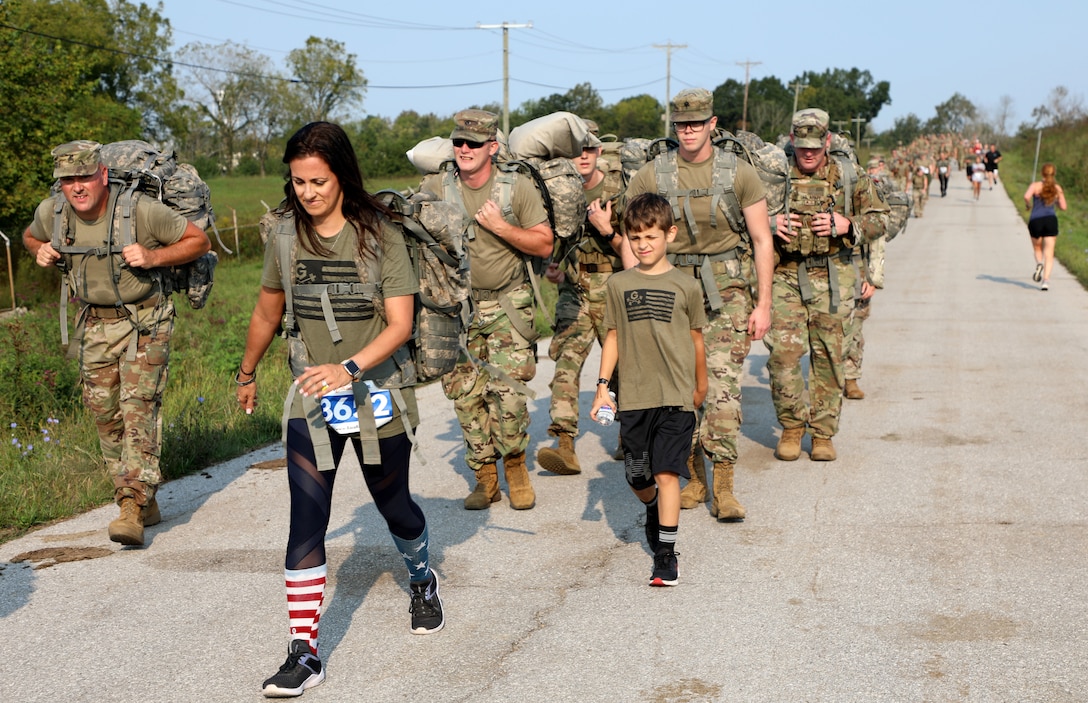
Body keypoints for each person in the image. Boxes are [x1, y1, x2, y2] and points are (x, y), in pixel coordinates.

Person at [236, 122, 444, 698]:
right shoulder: (283, 237)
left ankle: (422, 578)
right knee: (307, 516)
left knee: (394, 504)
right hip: (311, 397)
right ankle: (303, 651)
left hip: (377, 392)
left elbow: (400, 326)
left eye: (319, 181)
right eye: (298, 181)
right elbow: (266, 310)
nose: (307, 192)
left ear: (342, 177)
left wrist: (348, 369)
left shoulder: (380, 236)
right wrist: (246, 371)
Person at [22, 140, 211, 546]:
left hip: (146, 321)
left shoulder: (139, 211)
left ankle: (130, 505)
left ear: (102, 174)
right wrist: (40, 250)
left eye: (84, 177)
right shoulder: (52, 212)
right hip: (92, 323)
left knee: (137, 411)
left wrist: (153, 257)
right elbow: (29, 236)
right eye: (67, 179)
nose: (76, 187)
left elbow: (199, 242)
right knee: (105, 416)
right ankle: (144, 498)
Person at [622, 87, 773, 521]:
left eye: (696, 123)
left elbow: (762, 240)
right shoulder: (652, 174)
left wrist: (763, 304)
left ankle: (723, 485)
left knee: (721, 391)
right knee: (679, 395)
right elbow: (633, 239)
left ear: (712, 124)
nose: (688, 131)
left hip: (726, 293)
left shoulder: (739, 172)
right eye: (681, 124)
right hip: (667, 293)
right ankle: (694, 479)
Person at [420, 109, 554, 510]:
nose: (464, 149)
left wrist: (501, 227)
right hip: (456, 309)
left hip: (507, 305)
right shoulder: (436, 185)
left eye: (474, 143)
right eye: (459, 142)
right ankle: (485, 477)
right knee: (464, 397)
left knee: (509, 395)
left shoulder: (516, 189)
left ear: (492, 147)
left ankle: (515, 467)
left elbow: (544, 244)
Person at [591, 192, 707, 586]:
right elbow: (613, 337)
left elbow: (695, 339)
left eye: (651, 237)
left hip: (676, 395)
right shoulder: (618, 284)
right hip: (635, 396)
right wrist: (602, 386)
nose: (643, 245)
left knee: (667, 472)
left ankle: (666, 554)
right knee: (639, 478)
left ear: (669, 234)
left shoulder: (686, 285)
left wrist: (701, 383)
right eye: (635, 238)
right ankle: (653, 508)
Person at [764, 109, 889, 462]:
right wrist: (770, 223)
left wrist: (848, 223)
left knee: (830, 358)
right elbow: (741, 213)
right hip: (785, 274)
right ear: (791, 140)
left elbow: (882, 218)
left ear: (828, 142)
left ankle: (822, 433)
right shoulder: (773, 175)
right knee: (783, 357)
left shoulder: (848, 175)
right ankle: (791, 427)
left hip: (833, 275)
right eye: (801, 146)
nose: (807, 153)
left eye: (815, 147)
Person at [537, 123, 632, 475]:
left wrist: (608, 229)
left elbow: (638, 250)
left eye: (589, 150)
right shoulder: (560, 192)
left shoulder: (619, 191)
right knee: (566, 362)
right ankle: (564, 444)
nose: (582, 156)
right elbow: (552, 240)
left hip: (614, 287)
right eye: (575, 150)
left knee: (622, 367)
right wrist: (554, 265)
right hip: (575, 290)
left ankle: (629, 435)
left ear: (600, 153)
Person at [843, 158, 890, 401]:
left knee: (856, 323)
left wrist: (873, 278)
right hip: (825, 264)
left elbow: (876, 235)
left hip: (856, 264)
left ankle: (851, 377)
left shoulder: (860, 187)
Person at [1024, 162, 1068, 291]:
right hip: (1050, 220)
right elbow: (1064, 207)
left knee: (1038, 248)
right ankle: (1045, 281)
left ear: (1042, 173)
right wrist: (1057, 203)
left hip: (1035, 220)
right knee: (1049, 253)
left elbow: (1026, 196)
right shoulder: (1057, 188)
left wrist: (1028, 205)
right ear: (1054, 173)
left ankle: (1039, 264)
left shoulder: (1035, 186)